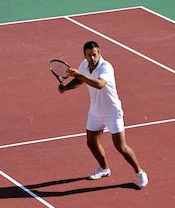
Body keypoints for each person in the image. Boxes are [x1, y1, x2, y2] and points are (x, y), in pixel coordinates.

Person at [58, 41, 148, 188]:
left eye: (94, 54)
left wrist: (81, 75)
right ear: (84, 55)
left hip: (112, 112)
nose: (92, 58)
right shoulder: (84, 65)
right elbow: (79, 81)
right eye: (89, 55)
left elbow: (99, 84)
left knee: (121, 147)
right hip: (95, 112)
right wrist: (66, 88)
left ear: (99, 52)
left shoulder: (106, 67)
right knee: (91, 143)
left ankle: (140, 172)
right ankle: (104, 169)